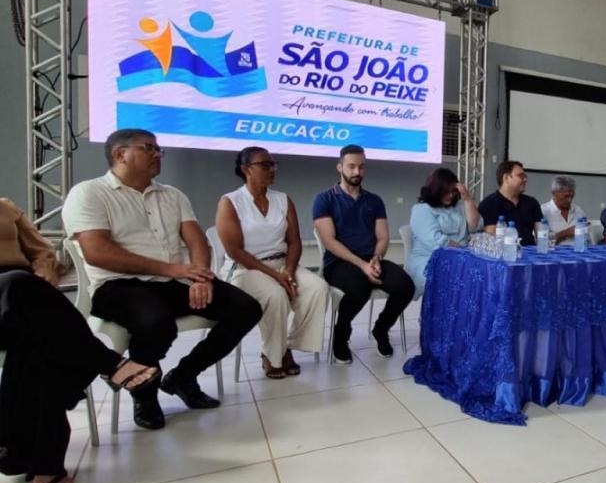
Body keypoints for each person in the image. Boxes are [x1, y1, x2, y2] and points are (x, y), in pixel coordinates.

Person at [63, 129, 263, 431]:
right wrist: (174, 271)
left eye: (159, 150)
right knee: (156, 323)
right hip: (119, 285)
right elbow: (97, 252)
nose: (158, 154)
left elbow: (197, 241)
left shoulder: (173, 195)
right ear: (121, 154)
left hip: (175, 280)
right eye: (149, 148)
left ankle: (183, 377)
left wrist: (201, 277)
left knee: (245, 307)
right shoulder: (89, 193)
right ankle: (145, 395)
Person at [1, 198, 159, 483]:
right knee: (19, 287)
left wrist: (45, 271)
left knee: (40, 346)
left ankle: (24, 456)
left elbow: (43, 252)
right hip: (11, 293)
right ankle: (109, 363)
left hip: (25, 304)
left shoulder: (6, 207)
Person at [216, 148, 328, 379]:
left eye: (273, 164)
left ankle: (286, 345)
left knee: (317, 288)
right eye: (265, 165)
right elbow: (234, 251)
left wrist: (287, 270)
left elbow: (294, 241)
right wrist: (277, 276)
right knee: (275, 294)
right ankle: (273, 355)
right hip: (246, 268)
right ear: (246, 169)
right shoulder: (231, 202)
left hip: (282, 264)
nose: (272, 169)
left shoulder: (283, 199)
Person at [313, 144, 415, 364]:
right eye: (351, 167)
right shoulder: (325, 199)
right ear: (339, 167)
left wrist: (376, 259)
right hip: (338, 263)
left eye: (361, 167)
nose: (357, 172)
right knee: (360, 287)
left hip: (371, 259)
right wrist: (362, 265)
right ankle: (341, 334)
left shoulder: (374, 201)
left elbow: (382, 238)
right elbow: (329, 241)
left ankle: (381, 329)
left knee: (406, 286)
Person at [405, 167, 480, 294]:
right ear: (435, 190)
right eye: (445, 192)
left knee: (481, 275)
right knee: (459, 278)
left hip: (460, 257)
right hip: (430, 259)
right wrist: (465, 250)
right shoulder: (421, 209)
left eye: (453, 191)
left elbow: (475, 226)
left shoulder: (459, 206)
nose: (450, 196)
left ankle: (466, 312)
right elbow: (437, 242)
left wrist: (467, 199)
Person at [478, 160, 543, 246]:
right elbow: (493, 241)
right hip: (506, 255)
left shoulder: (532, 203)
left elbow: (542, 236)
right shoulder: (489, 204)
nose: (525, 180)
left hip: (531, 255)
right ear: (506, 178)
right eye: (521, 176)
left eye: (525, 176)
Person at [541, 176, 587, 246]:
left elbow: (587, 240)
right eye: (566, 196)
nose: (569, 200)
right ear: (554, 193)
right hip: (554, 254)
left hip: (579, 252)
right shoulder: (543, 211)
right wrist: (565, 233)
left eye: (572, 196)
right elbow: (542, 244)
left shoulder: (578, 211)